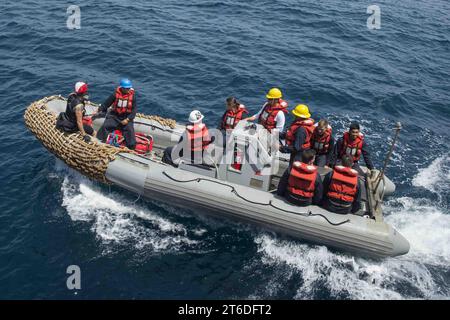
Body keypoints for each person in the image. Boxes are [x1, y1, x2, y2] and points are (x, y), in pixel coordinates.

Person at [96, 78, 137, 149]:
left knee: (130, 132)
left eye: (129, 88)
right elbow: (106, 104)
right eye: (126, 88)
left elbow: (134, 111)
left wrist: (127, 119)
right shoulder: (115, 94)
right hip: (115, 116)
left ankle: (131, 148)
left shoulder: (133, 97)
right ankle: (100, 141)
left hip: (126, 117)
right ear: (122, 88)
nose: (128, 90)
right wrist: (100, 109)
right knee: (105, 126)